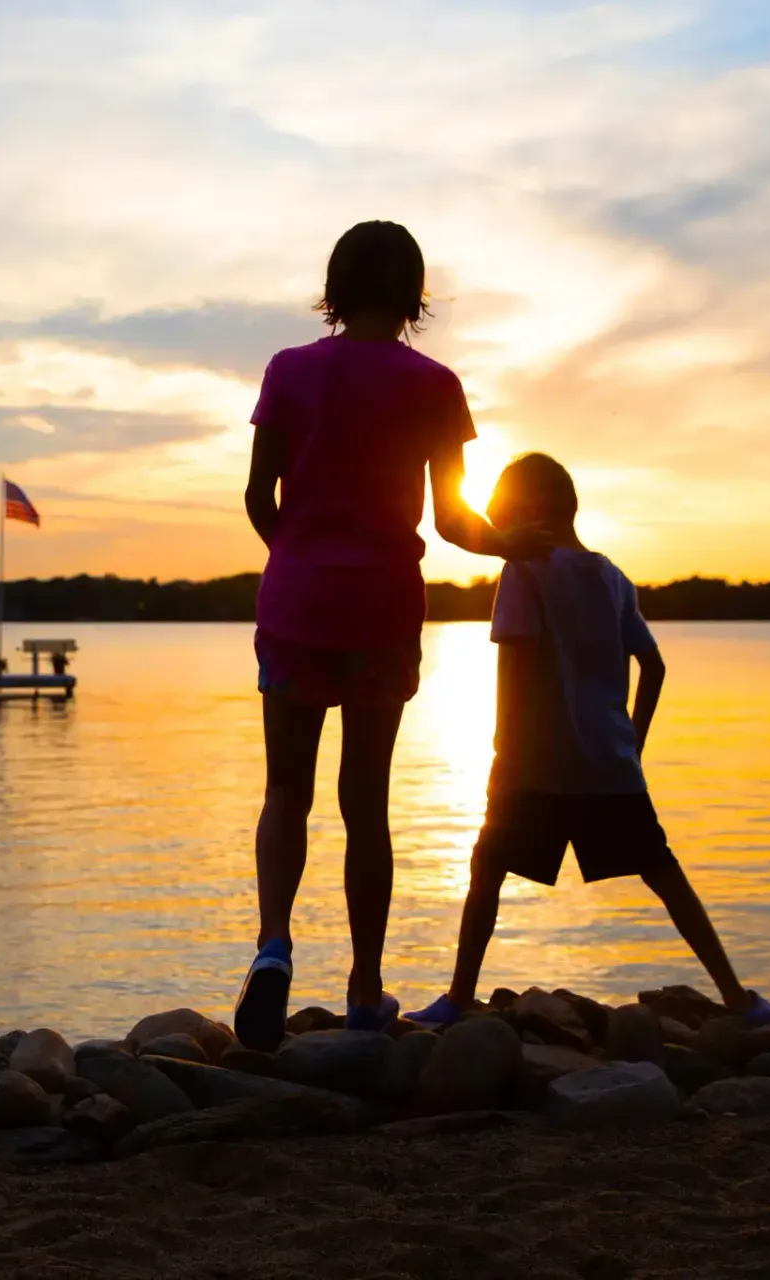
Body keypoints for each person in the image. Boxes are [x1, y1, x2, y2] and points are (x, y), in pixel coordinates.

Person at [235, 221, 549, 1050]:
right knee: (364, 804)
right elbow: (451, 521)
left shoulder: (289, 370)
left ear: (334, 289)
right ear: (416, 296)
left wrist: (297, 559)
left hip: (296, 605)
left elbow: (258, 496)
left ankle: (272, 949)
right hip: (381, 611)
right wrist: (509, 543)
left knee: (285, 793)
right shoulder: (435, 384)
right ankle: (366, 989)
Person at [412, 453, 770, 1027]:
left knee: (487, 869)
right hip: (609, 764)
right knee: (663, 873)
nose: (497, 532)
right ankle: (739, 999)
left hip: (533, 765)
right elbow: (654, 666)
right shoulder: (613, 577)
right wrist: (632, 743)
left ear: (531, 511)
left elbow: (515, 669)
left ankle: (458, 1000)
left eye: (501, 516)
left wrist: (502, 752)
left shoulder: (523, 570)